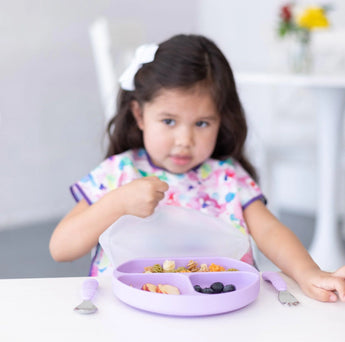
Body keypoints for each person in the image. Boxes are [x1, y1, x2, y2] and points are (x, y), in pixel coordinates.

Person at [49, 34, 345, 302]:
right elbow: (61, 248)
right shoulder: (118, 172)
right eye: (168, 121)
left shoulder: (227, 176)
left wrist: (307, 272)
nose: (184, 141)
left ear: (221, 120)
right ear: (139, 115)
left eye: (202, 123)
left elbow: (270, 231)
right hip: (128, 309)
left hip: (219, 310)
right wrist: (117, 203)